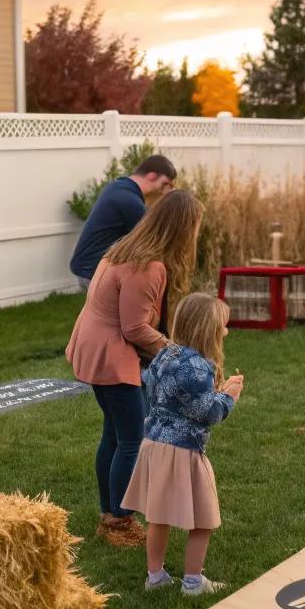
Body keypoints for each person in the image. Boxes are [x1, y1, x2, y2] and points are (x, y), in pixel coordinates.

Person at [66, 188, 203, 547]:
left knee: (114, 434)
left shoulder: (121, 250)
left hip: (93, 346)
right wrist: (177, 353)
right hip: (111, 355)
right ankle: (119, 523)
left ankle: (109, 513)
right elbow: (134, 328)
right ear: (181, 228)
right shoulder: (148, 266)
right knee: (131, 441)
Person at [122, 292, 243, 597]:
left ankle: (156, 577)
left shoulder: (165, 354)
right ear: (209, 330)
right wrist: (229, 395)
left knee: (158, 517)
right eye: (223, 326)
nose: (226, 332)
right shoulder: (197, 367)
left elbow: (162, 393)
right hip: (183, 450)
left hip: (154, 444)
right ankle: (193, 582)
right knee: (203, 518)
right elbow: (209, 413)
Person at [69, 155, 178, 289]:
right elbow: (155, 242)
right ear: (151, 176)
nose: (165, 191)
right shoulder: (129, 200)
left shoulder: (120, 186)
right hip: (94, 271)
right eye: (165, 184)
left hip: (89, 267)